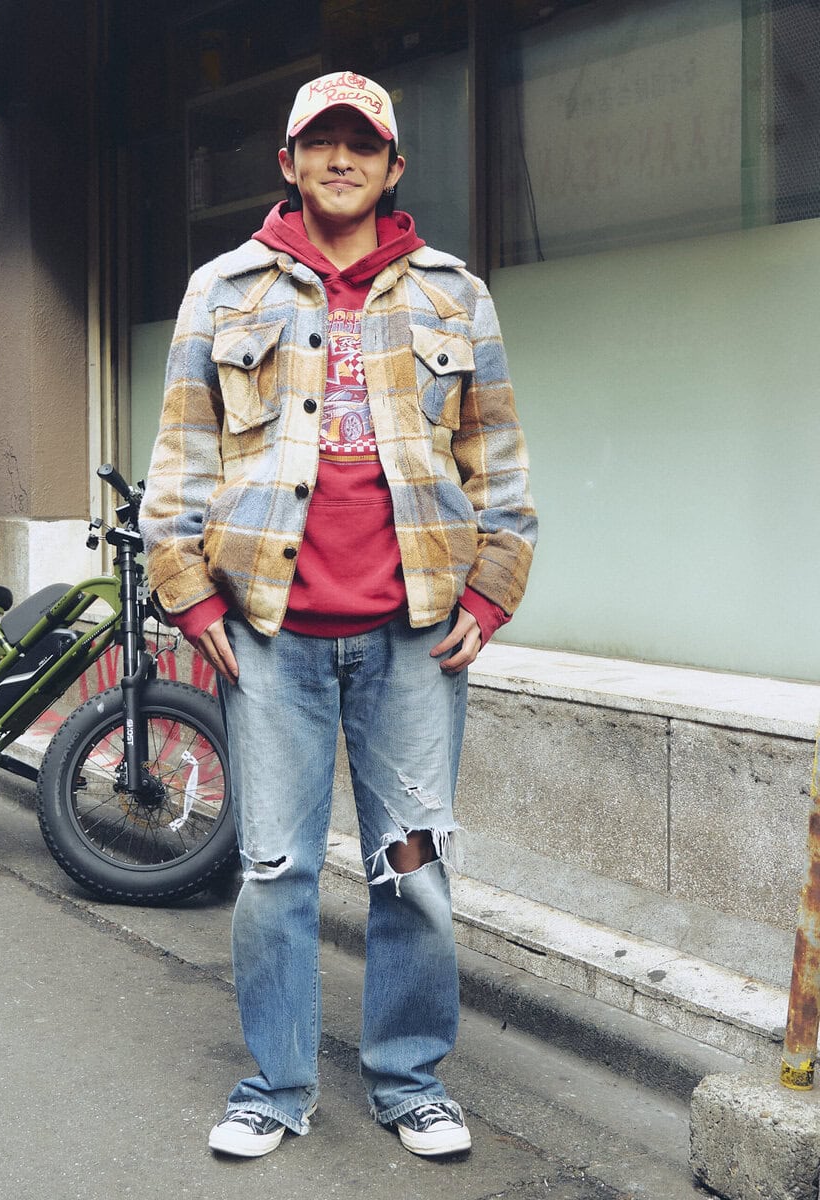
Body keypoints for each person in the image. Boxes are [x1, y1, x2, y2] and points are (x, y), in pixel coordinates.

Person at [140, 69, 537, 1160]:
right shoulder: (222, 289)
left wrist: (495, 587)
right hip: (271, 638)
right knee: (275, 872)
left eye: (363, 143)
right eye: (322, 141)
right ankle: (275, 1088)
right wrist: (189, 594)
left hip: (416, 636)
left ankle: (410, 1082)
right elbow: (181, 455)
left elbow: (498, 458)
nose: (342, 158)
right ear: (289, 162)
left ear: (394, 166)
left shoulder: (455, 293)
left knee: (413, 870)